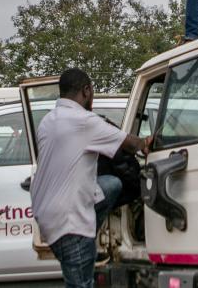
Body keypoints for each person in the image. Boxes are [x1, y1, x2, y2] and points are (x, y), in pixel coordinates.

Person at [31, 69, 150, 288]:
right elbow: (132, 145)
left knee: (111, 185)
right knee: (81, 285)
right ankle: (85, 239)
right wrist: (147, 142)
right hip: (70, 224)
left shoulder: (48, 121)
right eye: (92, 92)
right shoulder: (84, 121)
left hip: (46, 216)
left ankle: (89, 238)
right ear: (86, 90)